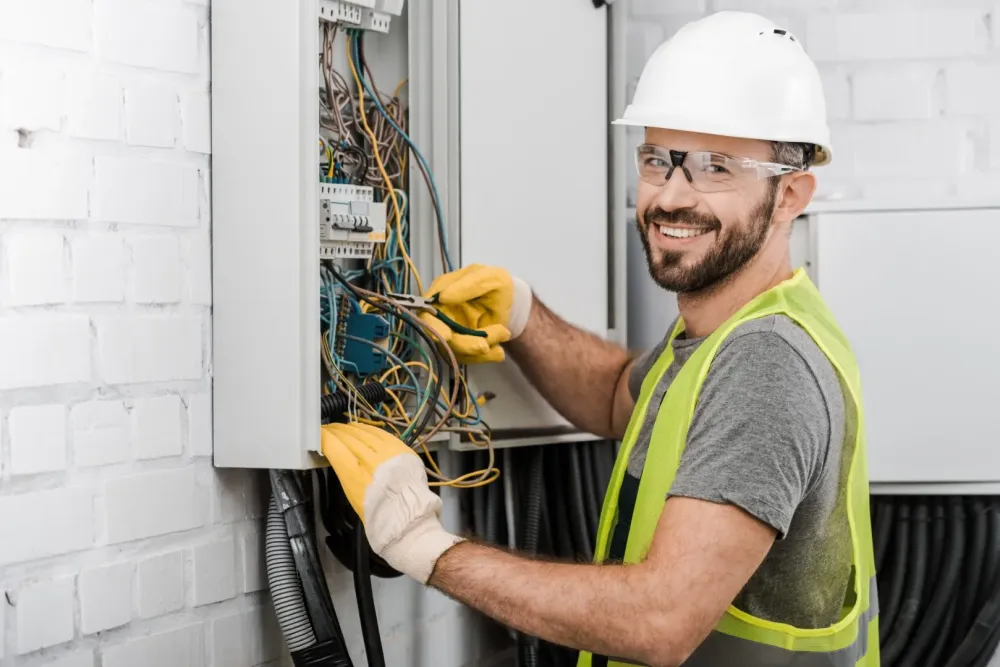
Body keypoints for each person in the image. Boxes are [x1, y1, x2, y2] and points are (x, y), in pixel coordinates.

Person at [322, 11, 878, 667]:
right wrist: (524, 315)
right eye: (657, 160)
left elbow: (660, 620)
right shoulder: (721, 333)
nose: (672, 196)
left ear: (791, 195)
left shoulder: (765, 362)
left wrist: (424, 545)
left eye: (715, 168)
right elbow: (622, 397)